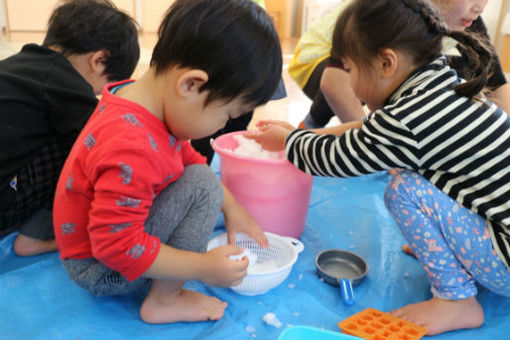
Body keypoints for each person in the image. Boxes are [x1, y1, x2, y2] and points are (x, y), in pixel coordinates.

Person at [246, 0, 510, 335]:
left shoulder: (412, 119)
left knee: (404, 190)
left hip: (505, 259)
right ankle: (450, 247)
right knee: (408, 171)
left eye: (352, 71)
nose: (352, 86)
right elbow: (373, 130)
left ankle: (457, 300)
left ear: (386, 62)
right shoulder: (438, 86)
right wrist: (304, 135)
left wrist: (290, 145)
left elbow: (342, 157)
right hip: (498, 228)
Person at [53, 0, 281, 324]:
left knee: (200, 176)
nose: (221, 127)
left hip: (95, 248)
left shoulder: (143, 101)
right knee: (203, 188)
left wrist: (232, 207)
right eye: (227, 116)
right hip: (102, 269)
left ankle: (167, 291)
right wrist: (204, 267)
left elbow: (187, 157)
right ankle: (165, 299)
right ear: (191, 84)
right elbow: (116, 245)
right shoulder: (131, 146)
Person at [0, 0, 140, 257]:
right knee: (87, 145)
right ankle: (38, 236)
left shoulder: (19, 65)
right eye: (104, 88)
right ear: (99, 61)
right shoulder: (67, 84)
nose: (97, 94)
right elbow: (105, 137)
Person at [290, 0, 510, 129]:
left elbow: (497, 83)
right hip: (318, 60)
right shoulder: (395, 12)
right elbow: (333, 82)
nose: (480, 7)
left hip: (360, 67)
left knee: (461, 65)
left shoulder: (467, 20)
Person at [190, 0, 287, 165]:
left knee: (237, 124)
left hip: (251, 59)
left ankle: (229, 158)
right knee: (204, 136)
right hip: (223, 60)